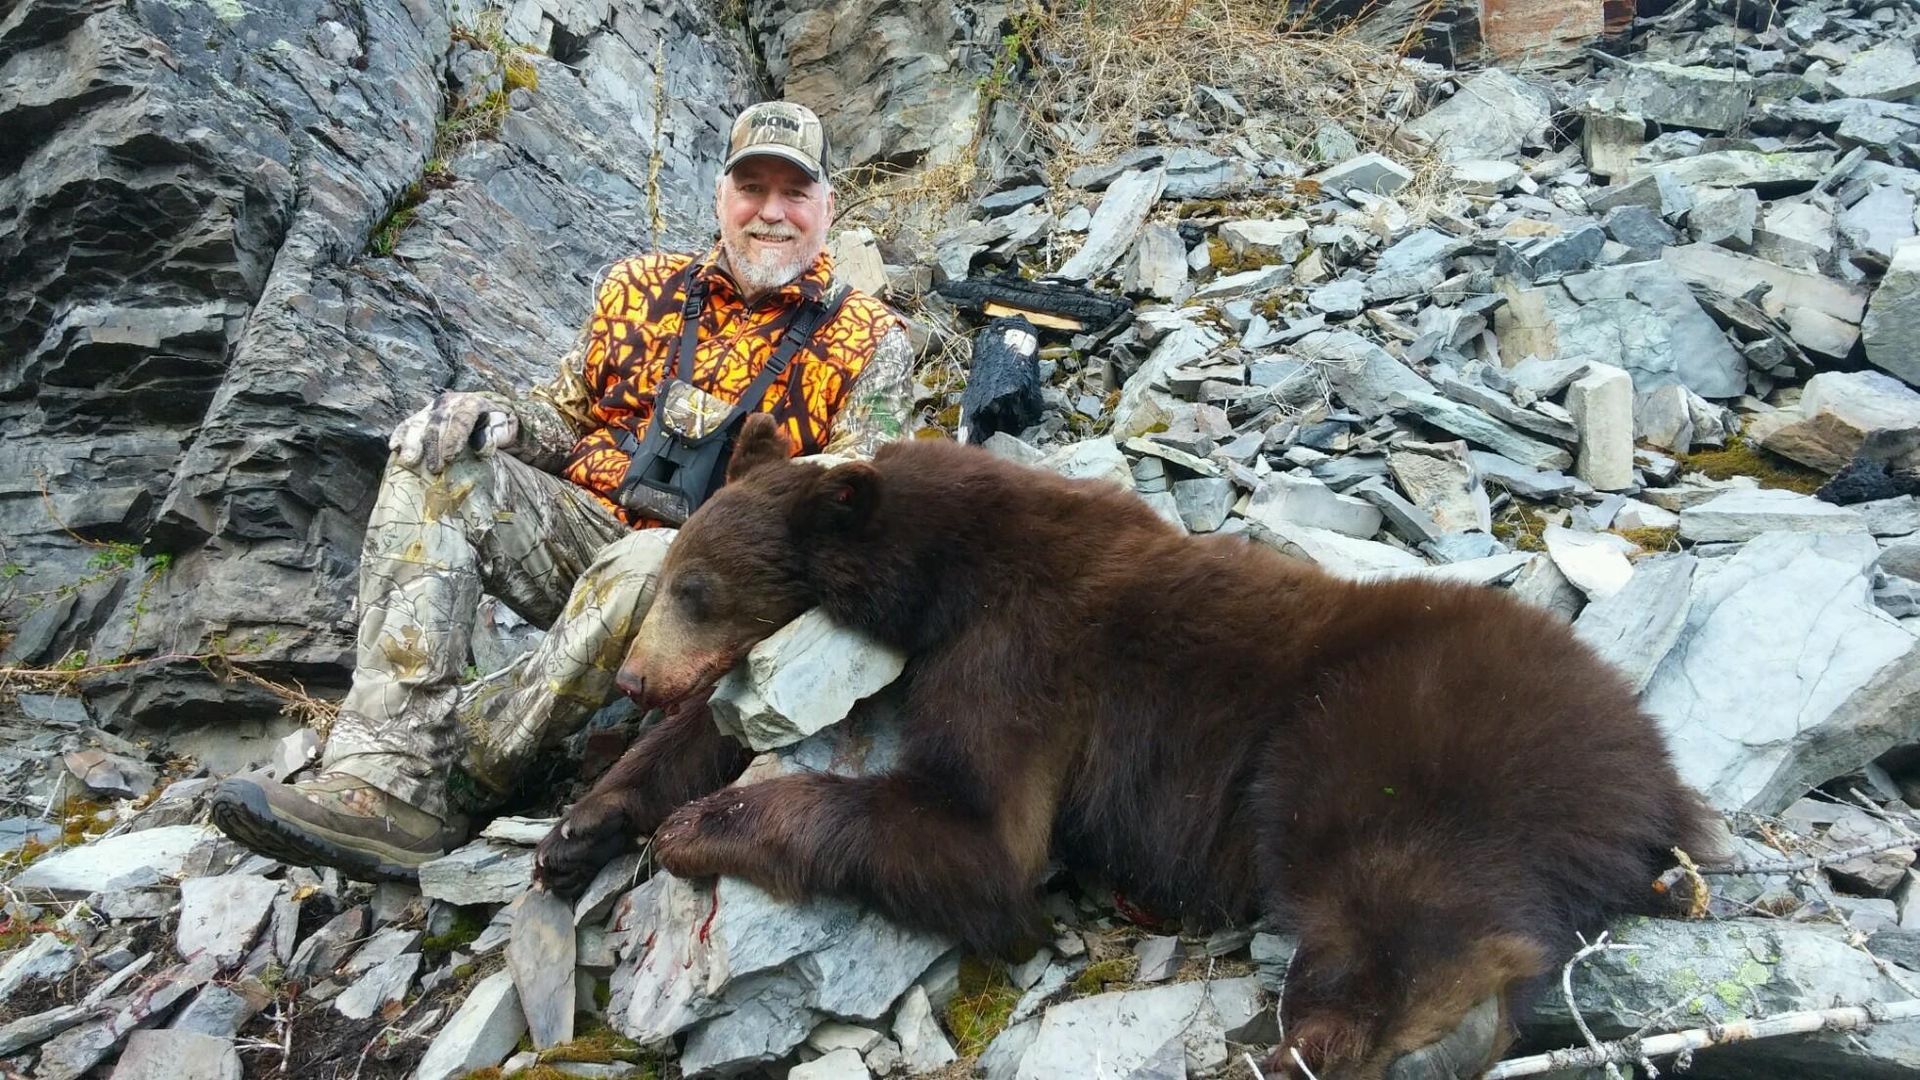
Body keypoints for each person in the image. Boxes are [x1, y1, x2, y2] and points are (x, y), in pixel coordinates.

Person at [210, 101, 915, 881]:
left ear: (826, 209)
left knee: (648, 566)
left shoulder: (871, 339)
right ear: (721, 196)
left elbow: (858, 479)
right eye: (752, 188)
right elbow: (561, 413)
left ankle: (458, 784)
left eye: (795, 192)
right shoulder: (637, 287)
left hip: (710, 586)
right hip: (583, 526)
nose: (771, 213)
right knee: (435, 459)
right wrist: (494, 417)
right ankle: (379, 776)